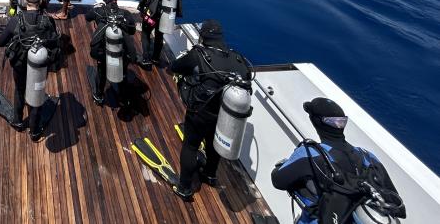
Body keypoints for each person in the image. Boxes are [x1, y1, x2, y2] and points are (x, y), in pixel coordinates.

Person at [272, 98, 406, 224]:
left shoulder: (309, 153)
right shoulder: (368, 156)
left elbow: (277, 180)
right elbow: (395, 202)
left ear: (315, 121)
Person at [169, 19, 252, 201]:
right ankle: (210, 175)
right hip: (225, 115)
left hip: (201, 113)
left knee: (191, 146)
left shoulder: (199, 55)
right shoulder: (238, 59)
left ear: (203, 36)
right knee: (213, 143)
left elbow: (174, 67)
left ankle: (184, 188)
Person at [0, 0, 60, 141]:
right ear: (41, 1)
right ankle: (35, 131)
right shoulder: (48, 21)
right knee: (37, 93)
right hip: (39, 66)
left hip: (19, 64)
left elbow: (0, 42)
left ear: (24, 1)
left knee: (19, 90)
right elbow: (55, 44)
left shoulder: (15, 20)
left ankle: (18, 121)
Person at [85, 0, 138, 110]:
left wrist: (97, 9)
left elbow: (87, 17)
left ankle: (99, 96)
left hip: (103, 53)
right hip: (122, 53)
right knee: (123, 74)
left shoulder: (99, 11)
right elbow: (132, 31)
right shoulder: (125, 14)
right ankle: (123, 98)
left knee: (101, 74)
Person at [136, 0, 182, 67]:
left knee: (145, 33)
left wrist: (141, 9)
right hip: (164, 15)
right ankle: (156, 59)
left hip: (152, 14)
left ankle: (146, 59)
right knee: (159, 35)